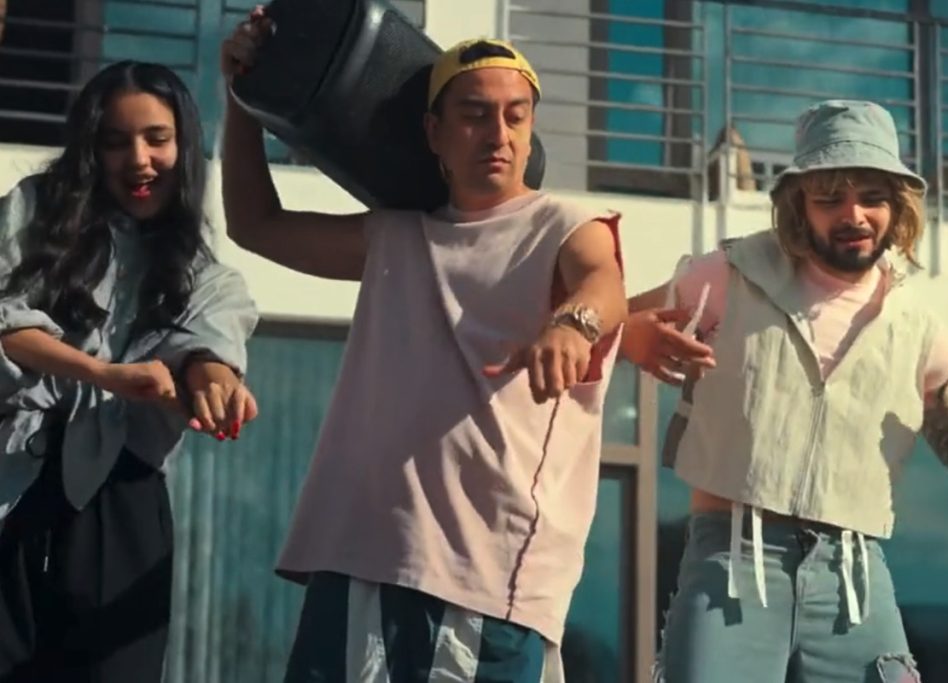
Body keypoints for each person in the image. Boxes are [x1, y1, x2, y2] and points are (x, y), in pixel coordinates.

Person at [221, 10, 628, 682]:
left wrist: (572, 325)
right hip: (357, 559)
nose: (498, 134)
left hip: (485, 576)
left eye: (516, 116)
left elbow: (601, 281)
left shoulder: (565, 223)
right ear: (434, 133)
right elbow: (254, 224)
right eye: (474, 115)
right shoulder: (395, 235)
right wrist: (242, 97)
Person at [620, 99, 948, 683]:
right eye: (830, 198)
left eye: (872, 197)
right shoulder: (728, 275)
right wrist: (629, 335)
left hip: (853, 573)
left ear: (897, 206)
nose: (853, 214)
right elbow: (609, 323)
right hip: (733, 559)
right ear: (799, 205)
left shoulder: (920, 330)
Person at [0, 61, 259, 682]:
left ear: (184, 146)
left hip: (123, 501)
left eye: (156, 139)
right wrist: (103, 373)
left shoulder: (205, 273)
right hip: (13, 478)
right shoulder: (32, 210)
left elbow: (208, 347)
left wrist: (215, 382)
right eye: (115, 142)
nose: (138, 160)